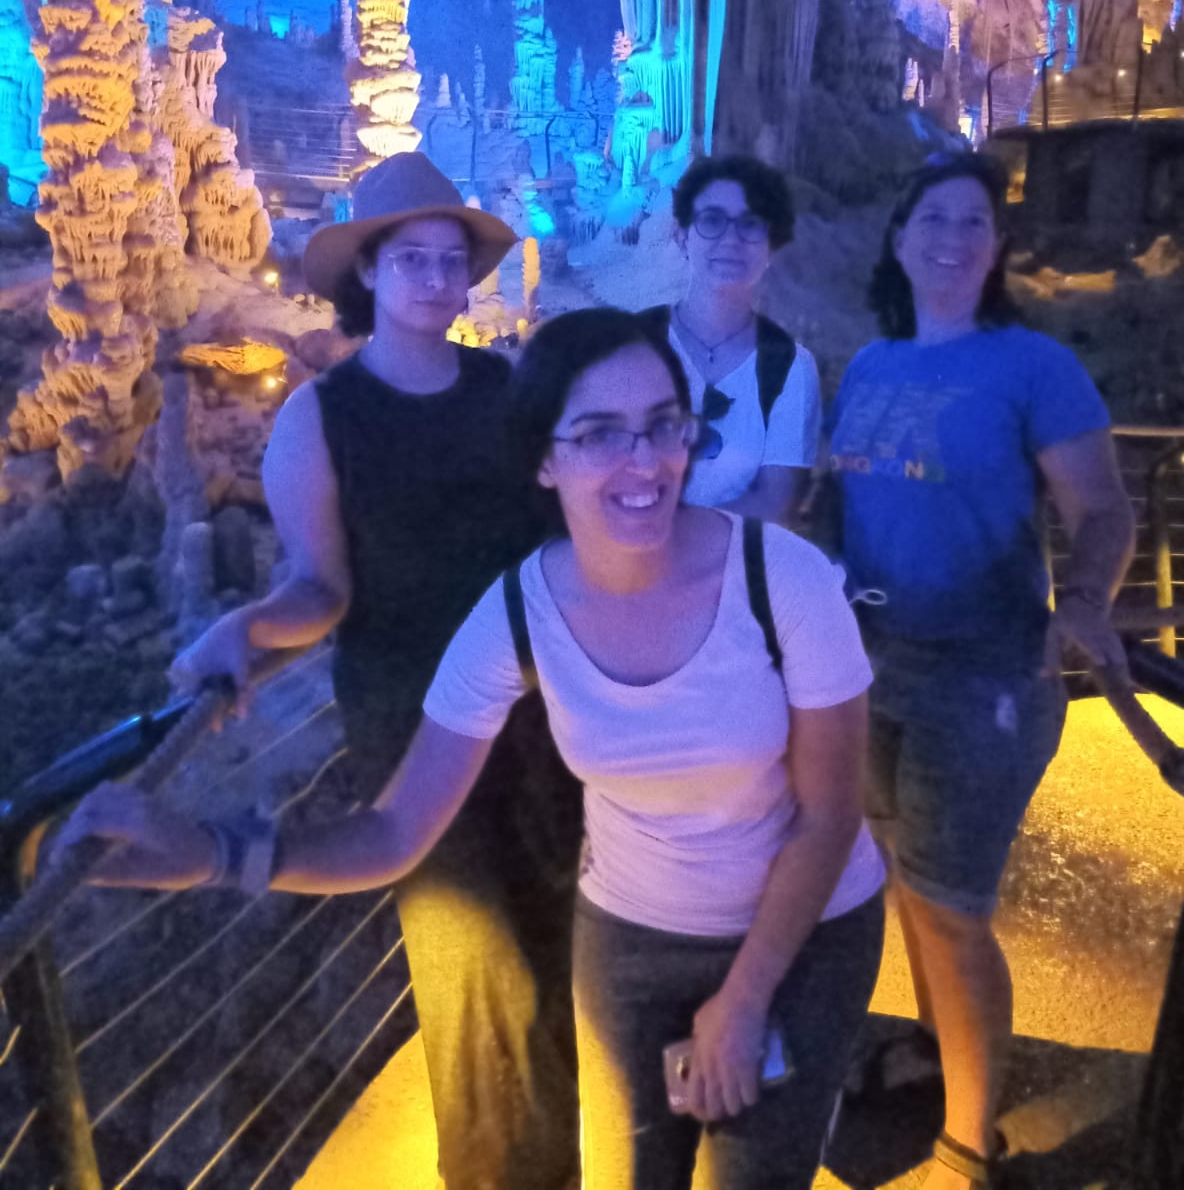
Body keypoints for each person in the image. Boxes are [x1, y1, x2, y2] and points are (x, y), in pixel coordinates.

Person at [68, 307, 885, 1190]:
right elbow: (396, 831)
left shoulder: (782, 580)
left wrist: (744, 1000)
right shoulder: (520, 614)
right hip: (634, 938)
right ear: (544, 461)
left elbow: (829, 814)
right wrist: (212, 854)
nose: (643, 460)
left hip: (804, 934)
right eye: (598, 434)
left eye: (662, 425)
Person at [168, 152, 581, 1190]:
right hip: (410, 719)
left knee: (557, 938)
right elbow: (320, 586)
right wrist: (249, 627)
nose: (437, 280)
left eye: (449, 261)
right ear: (370, 272)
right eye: (412, 260)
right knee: (475, 969)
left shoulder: (507, 391)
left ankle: (567, 1159)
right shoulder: (321, 417)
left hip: (541, 713)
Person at [827, 153, 1135, 1189]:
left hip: (985, 674)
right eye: (934, 218)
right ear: (899, 238)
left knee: (953, 905)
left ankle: (969, 1143)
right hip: (870, 670)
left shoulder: (1032, 367)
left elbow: (1103, 509)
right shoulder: (869, 367)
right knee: (909, 889)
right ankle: (933, 1047)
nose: (952, 238)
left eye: (974, 222)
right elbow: (848, 513)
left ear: (996, 248)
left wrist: (1084, 600)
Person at [648, 154, 820, 524]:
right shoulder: (633, 345)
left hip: (733, 560)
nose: (731, 240)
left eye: (751, 224)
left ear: (771, 247)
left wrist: (664, 532)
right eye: (712, 220)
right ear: (682, 235)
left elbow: (775, 505)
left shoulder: (789, 367)